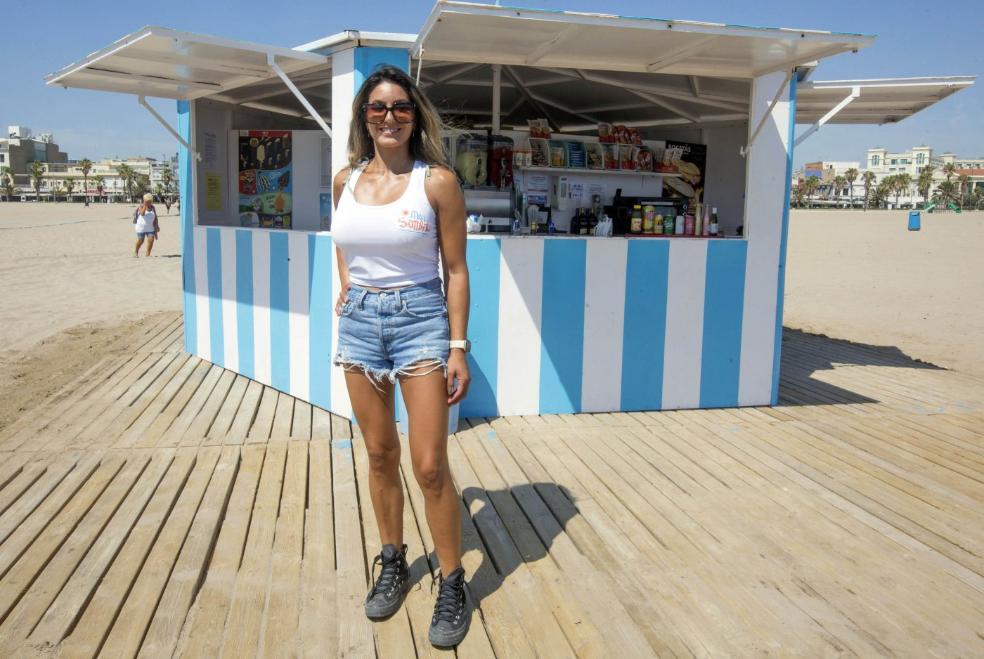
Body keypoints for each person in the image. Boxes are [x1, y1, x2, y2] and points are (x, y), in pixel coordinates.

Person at [330, 65, 472, 648]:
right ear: (364, 116)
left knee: (429, 464)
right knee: (380, 454)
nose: (389, 117)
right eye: (378, 108)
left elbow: (457, 270)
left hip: (421, 324)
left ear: (416, 118)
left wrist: (458, 346)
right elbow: (342, 241)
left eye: (401, 108)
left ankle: (453, 578)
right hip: (361, 325)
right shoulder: (344, 179)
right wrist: (347, 285)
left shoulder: (435, 181)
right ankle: (392, 559)